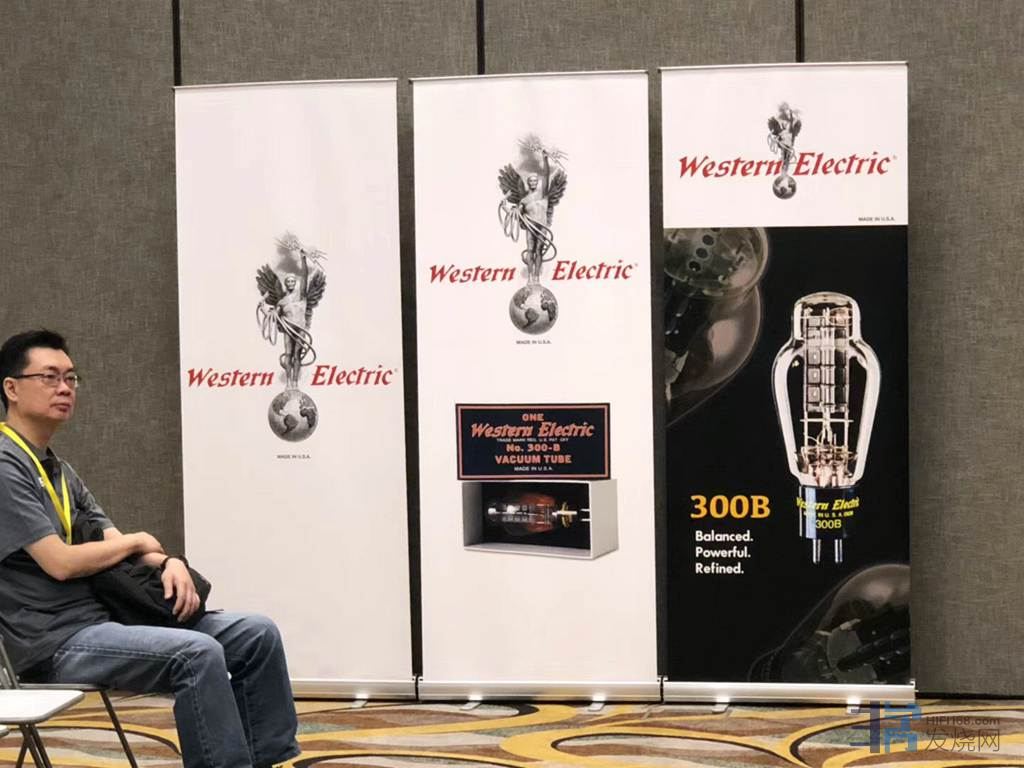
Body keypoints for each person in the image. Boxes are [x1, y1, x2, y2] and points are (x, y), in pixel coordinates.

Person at [0, 329, 299, 768]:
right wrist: (141, 541)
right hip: (53, 642)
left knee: (257, 634)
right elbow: (59, 563)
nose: (64, 388)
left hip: (105, 618)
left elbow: (114, 540)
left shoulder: (58, 468)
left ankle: (265, 761)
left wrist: (168, 561)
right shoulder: (6, 466)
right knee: (196, 654)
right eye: (49, 377)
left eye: (71, 377)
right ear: (11, 388)